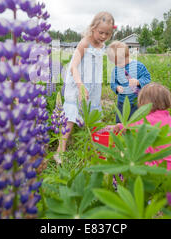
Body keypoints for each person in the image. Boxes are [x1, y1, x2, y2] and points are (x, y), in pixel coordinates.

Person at [56, 11, 116, 164]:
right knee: (71, 116)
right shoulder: (84, 43)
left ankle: (92, 149)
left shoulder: (102, 45)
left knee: (91, 116)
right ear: (93, 27)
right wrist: (80, 85)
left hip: (93, 84)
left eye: (107, 34)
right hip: (78, 83)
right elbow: (73, 67)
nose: (103, 36)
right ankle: (60, 152)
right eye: (101, 32)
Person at [131, 82, 171, 170]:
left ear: (144, 102)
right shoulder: (167, 117)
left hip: (159, 168)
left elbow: (130, 129)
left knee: (128, 157)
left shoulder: (147, 120)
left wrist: (119, 127)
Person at [107, 41, 151, 123]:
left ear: (127, 56)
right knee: (121, 122)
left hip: (137, 101)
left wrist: (138, 82)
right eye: (115, 63)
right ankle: (121, 135)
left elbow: (147, 78)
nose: (118, 65)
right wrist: (116, 87)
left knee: (136, 122)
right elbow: (113, 83)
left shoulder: (138, 66)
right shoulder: (116, 69)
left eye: (120, 62)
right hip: (122, 102)